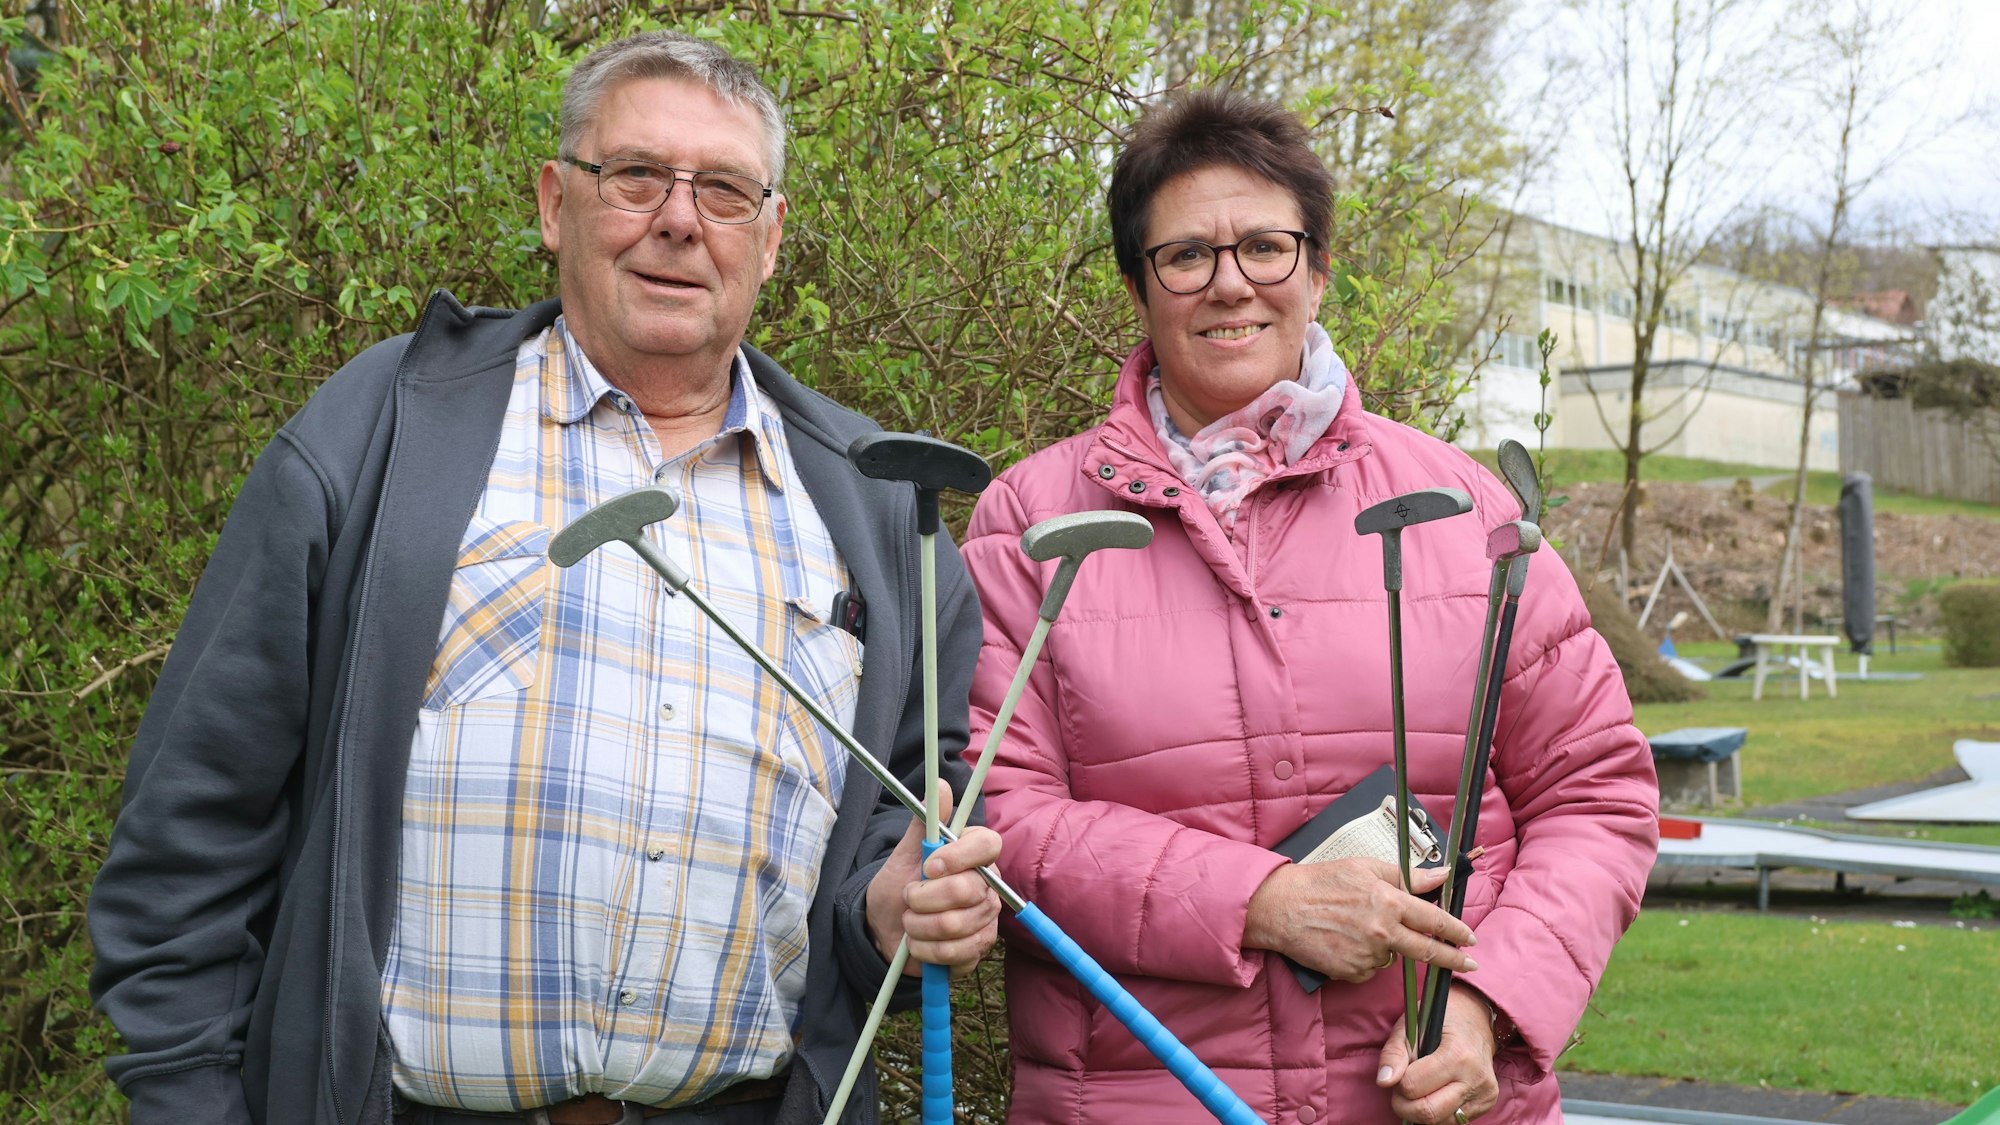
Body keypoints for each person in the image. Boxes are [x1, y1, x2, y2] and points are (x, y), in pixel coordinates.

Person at [88, 31, 1001, 1125]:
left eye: (720, 190)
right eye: (633, 176)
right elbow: (190, 831)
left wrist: (890, 917)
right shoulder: (380, 432)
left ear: (769, 237)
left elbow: (883, 867)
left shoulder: (883, 515)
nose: (676, 219)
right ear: (553, 203)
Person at [959, 89, 1657, 1125]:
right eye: (1185, 254)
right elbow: (994, 821)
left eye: (1265, 247)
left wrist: (1485, 1008)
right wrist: (1259, 904)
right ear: (1138, 288)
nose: (1228, 282)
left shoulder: (1464, 512)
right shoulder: (1032, 523)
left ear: (1318, 270)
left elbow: (1594, 795)